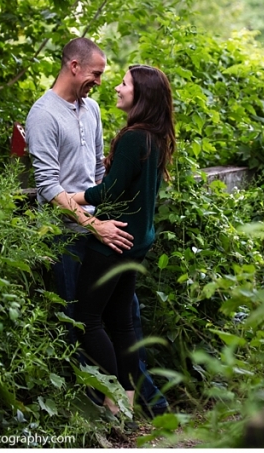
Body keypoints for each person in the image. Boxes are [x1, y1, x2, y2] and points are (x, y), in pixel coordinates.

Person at [25, 39, 169, 416]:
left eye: (109, 76)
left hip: (108, 233)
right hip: (69, 235)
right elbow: (47, 185)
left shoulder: (92, 110)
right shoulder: (43, 115)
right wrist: (93, 222)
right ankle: (103, 409)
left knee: (123, 321)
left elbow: (102, 174)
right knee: (82, 325)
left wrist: (105, 220)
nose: (102, 82)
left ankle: (133, 406)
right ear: (74, 66)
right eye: (97, 73)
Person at [68, 64, 176, 415]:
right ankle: (126, 404)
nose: (116, 87)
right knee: (121, 321)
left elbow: (109, 192)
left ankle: (113, 395)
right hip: (138, 239)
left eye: (124, 84)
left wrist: (72, 197)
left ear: (140, 95)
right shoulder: (154, 137)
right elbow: (132, 182)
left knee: (86, 320)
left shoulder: (134, 137)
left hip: (113, 239)